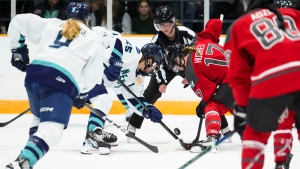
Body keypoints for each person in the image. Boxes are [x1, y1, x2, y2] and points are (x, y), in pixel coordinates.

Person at [5, 2, 106, 168]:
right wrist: (82, 93)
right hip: (60, 80)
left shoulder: (51, 24)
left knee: (39, 119)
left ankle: (26, 159)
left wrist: (18, 49)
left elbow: (18, 20)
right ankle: (22, 163)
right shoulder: (94, 37)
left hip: (34, 75)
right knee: (52, 130)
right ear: (87, 19)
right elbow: (92, 75)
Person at [223, 0, 300, 168]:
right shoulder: (292, 14)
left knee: (254, 135)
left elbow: (238, 76)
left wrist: (243, 108)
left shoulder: (240, 25)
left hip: (271, 79)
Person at [81, 27, 164, 154]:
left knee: (103, 100)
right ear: (150, 58)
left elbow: (134, 98)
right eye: (153, 65)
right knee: (104, 100)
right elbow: (118, 40)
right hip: (86, 71)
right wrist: (116, 61)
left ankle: (95, 131)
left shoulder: (137, 78)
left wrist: (146, 109)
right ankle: (92, 134)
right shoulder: (134, 54)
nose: (151, 69)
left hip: (94, 80)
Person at [164, 18, 234, 153]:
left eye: (174, 63)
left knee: (212, 106)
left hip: (235, 79)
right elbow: (214, 25)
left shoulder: (192, 72)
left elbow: (209, 94)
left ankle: (212, 137)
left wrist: (202, 105)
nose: (176, 67)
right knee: (233, 103)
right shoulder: (198, 41)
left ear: (178, 58)